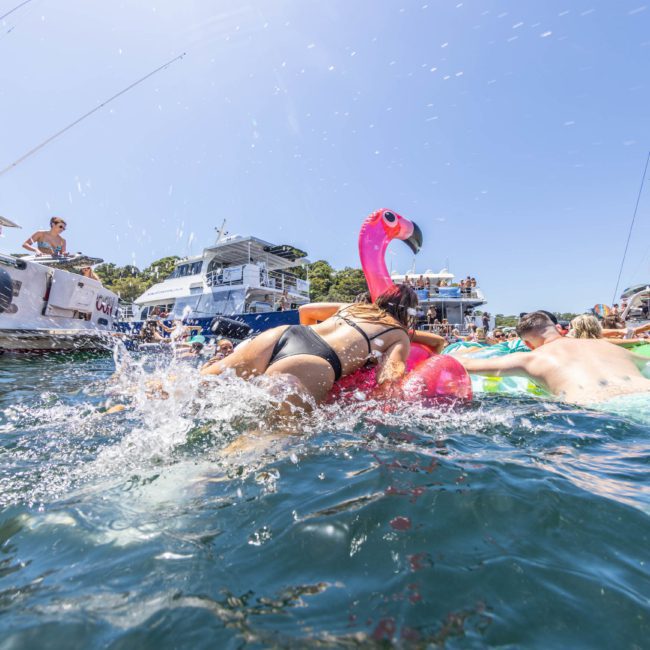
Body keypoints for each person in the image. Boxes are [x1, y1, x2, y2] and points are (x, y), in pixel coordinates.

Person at [200, 285, 418, 407]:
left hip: (283, 335)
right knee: (267, 439)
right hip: (318, 361)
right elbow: (388, 380)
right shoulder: (398, 334)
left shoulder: (355, 308)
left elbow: (306, 311)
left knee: (200, 384)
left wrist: (298, 348)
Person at [457, 311, 650, 406]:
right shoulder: (605, 345)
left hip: (597, 406)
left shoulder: (531, 358)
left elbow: (465, 365)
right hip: (643, 395)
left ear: (527, 345)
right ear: (558, 329)